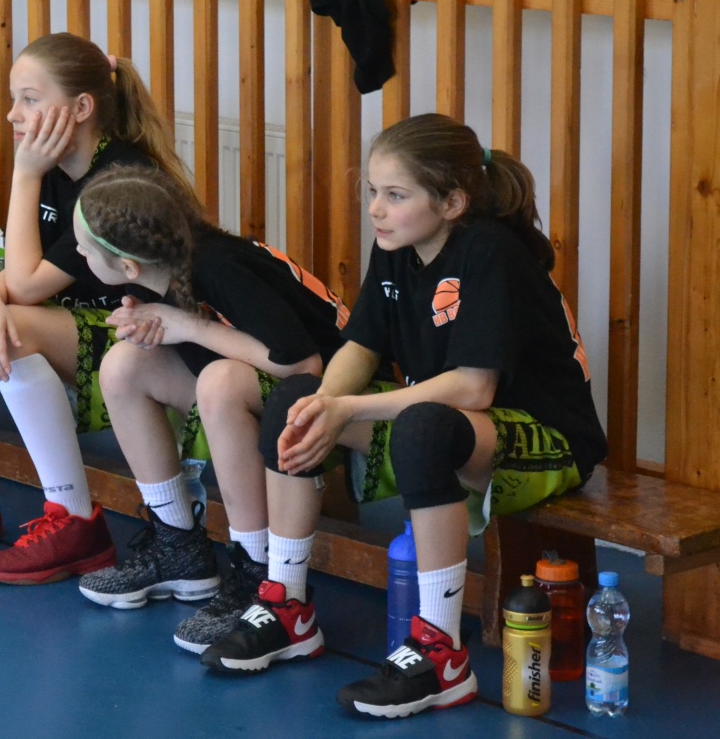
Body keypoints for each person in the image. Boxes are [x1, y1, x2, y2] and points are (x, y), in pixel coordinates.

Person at [199, 113, 606, 721]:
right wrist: (323, 403)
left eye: (395, 195)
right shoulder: (397, 246)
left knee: (423, 427)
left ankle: (442, 656)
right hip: (456, 423)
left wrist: (349, 409)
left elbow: (474, 386)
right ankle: (288, 606)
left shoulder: (490, 251)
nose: (376, 210)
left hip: (546, 436)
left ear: (452, 203)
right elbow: (362, 346)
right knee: (294, 402)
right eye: (372, 192)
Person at [0, 33, 184, 584]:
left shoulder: (115, 177)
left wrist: (23, 175)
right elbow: (23, 276)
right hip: (91, 329)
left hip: (149, 342)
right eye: (13, 98)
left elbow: (25, 286)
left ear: (81, 107)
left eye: (29, 99)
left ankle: (75, 519)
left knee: (12, 328)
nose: (12, 114)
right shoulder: (57, 165)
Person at [65, 165, 346, 659]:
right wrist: (153, 325)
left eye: (84, 249)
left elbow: (302, 363)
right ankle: (179, 547)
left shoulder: (218, 266)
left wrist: (189, 327)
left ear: (129, 266)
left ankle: (256, 572)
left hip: (331, 393)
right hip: (264, 380)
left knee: (219, 382)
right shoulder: (161, 264)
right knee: (124, 365)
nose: (77, 253)